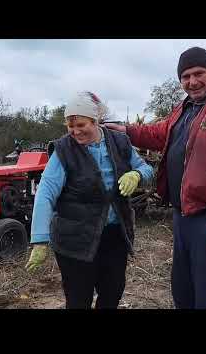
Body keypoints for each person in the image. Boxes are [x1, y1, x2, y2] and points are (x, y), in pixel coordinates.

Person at [105, 47, 206, 309]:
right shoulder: (186, 106)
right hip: (185, 211)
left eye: (198, 73)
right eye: (185, 76)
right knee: (183, 285)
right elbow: (161, 134)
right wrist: (127, 131)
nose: (192, 81)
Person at [25, 91, 154, 309]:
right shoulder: (64, 150)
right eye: (70, 126)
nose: (75, 132)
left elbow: (146, 168)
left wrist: (137, 175)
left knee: (113, 292)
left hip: (114, 236)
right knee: (78, 299)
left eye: (81, 125)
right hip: (74, 238)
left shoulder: (120, 142)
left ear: (96, 121)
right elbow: (46, 191)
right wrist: (39, 239)